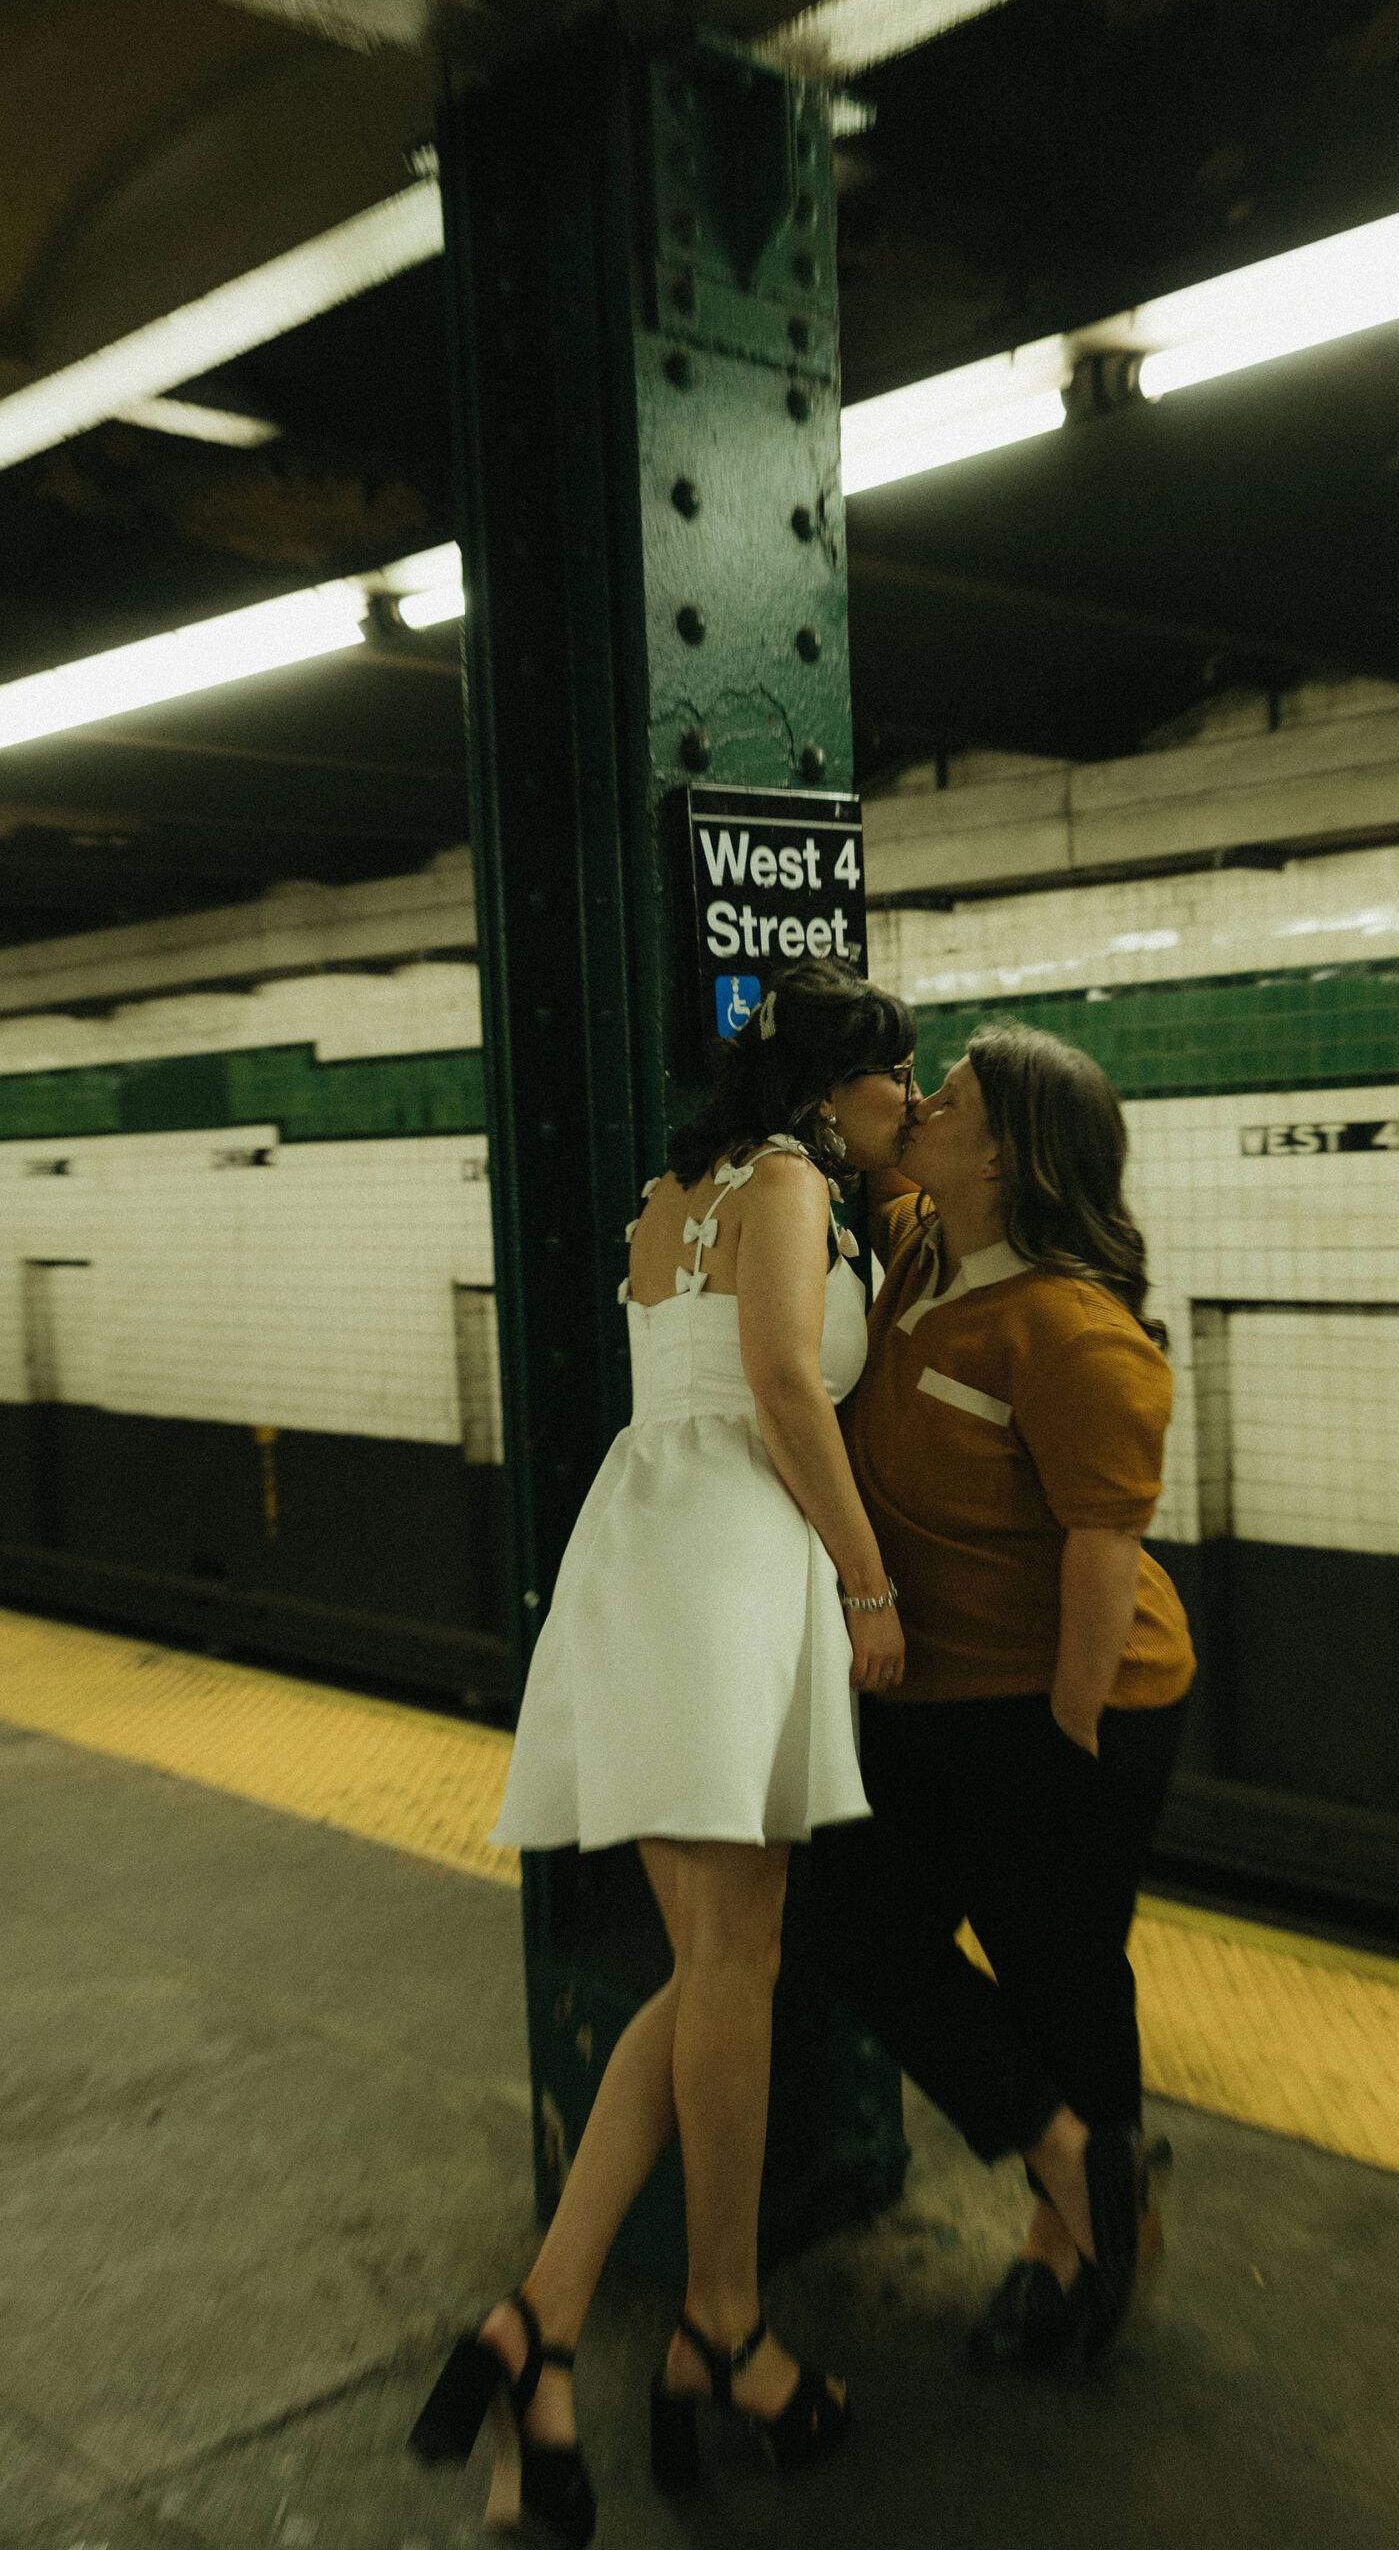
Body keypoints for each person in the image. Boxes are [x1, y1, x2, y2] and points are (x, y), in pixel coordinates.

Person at [408, 960, 916, 2545]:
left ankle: (540, 2337)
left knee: (706, 1976)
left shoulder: (667, 1191)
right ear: (837, 1092)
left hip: (640, 1554)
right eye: (898, 1077)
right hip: (723, 1574)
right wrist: (867, 1576)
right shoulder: (780, 1185)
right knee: (736, 1973)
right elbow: (777, 1379)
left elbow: (703, 1378)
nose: (912, 1099)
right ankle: (722, 2329)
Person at [815, 1022, 1194, 2373]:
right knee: (861, 1931)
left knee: (1060, 1973)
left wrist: (1071, 1738)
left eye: (952, 1099)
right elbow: (864, 1141)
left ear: (1006, 1155)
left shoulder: (1074, 1333)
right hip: (932, 1697)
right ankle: (1083, 2163)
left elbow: (1105, 1557)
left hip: (1067, 1699)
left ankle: (1069, 2245)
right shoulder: (921, 1246)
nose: (924, 1105)